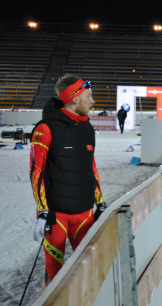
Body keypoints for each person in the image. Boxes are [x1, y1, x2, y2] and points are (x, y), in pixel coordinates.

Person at [30, 74, 106, 286]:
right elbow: (36, 173)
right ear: (75, 98)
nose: (93, 101)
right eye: (89, 96)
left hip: (84, 213)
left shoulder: (87, 128)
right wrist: (43, 210)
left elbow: (91, 166)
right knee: (56, 281)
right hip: (56, 217)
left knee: (92, 270)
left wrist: (99, 201)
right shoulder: (45, 128)